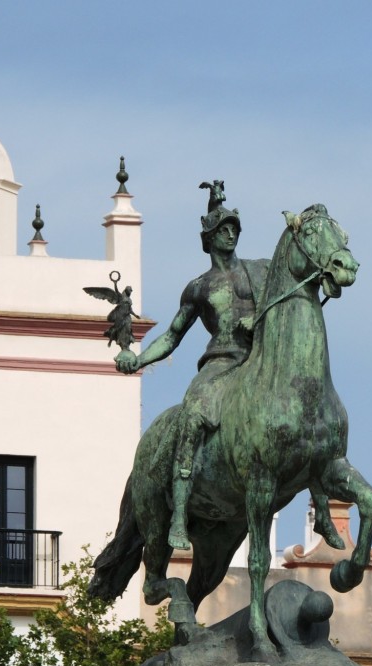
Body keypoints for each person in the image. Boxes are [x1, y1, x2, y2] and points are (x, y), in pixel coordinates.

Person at [117, 181, 268, 549]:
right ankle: (180, 516)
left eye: (234, 228)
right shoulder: (199, 287)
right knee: (192, 416)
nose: (230, 234)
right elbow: (171, 336)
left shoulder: (259, 271)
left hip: (260, 359)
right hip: (220, 363)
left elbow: (281, 305)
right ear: (209, 238)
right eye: (223, 229)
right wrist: (137, 359)